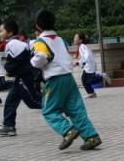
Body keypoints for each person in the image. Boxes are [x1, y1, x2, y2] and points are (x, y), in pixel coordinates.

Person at [31, 10, 102, 151]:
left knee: (49, 110)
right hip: (68, 78)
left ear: (37, 25)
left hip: (54, 79)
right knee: (76, 110)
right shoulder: (60, 39)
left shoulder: (40, 41)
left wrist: (33, 61)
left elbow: (41, 58)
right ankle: (91, 137)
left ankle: (68, 131)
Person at [0, 19, 41, 137]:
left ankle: (59, 107)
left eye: (1, 31)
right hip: (20, 78)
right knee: (11, 100)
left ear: (9, 33)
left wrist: (8, 68)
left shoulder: (12, 44)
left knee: (34, 102)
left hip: (24, 79)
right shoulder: (15, 43)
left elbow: (18, 62)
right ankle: (9, 126)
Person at [74, 33, 110, 98]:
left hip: (89, 66)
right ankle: (92, 93)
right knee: (85, 80)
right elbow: (84, 57)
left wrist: (78, 63)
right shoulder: (81, 46)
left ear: (80, 40)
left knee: (88, 81)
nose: (74, 39)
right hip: (88, 66)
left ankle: (102, 78)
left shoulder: (82, 46)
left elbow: (86, 55)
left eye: (76, 38)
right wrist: (80, 63)